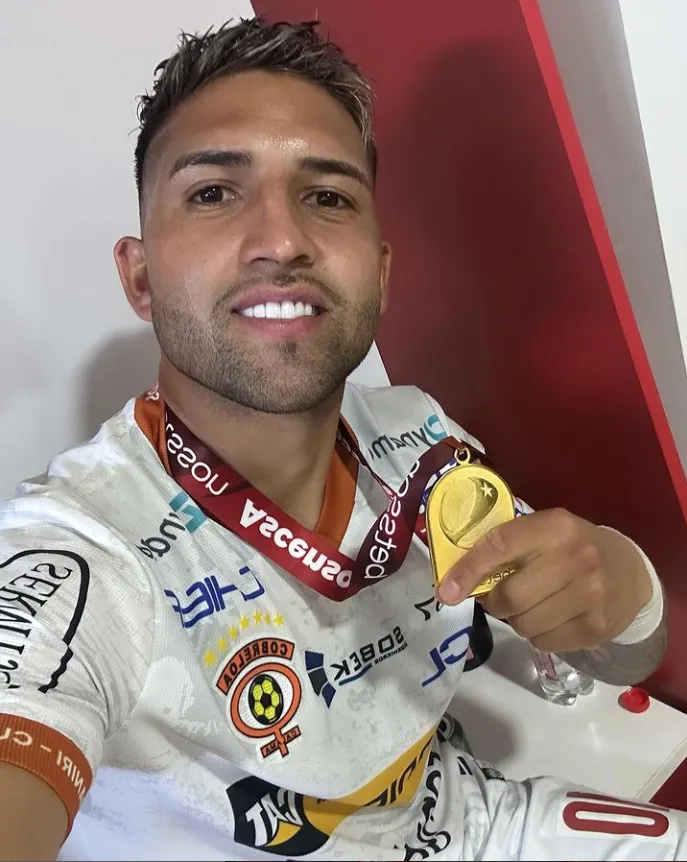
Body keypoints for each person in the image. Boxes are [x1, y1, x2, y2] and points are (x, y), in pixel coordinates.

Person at [0, 17, 682, 862]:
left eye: (326, 196)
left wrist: (619, 583)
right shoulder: (81, 553)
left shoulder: (418, 438)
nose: (282, 240)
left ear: (381, 271)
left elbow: (629, 654)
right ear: (140, 276)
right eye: (213, 192)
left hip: (468, 822)